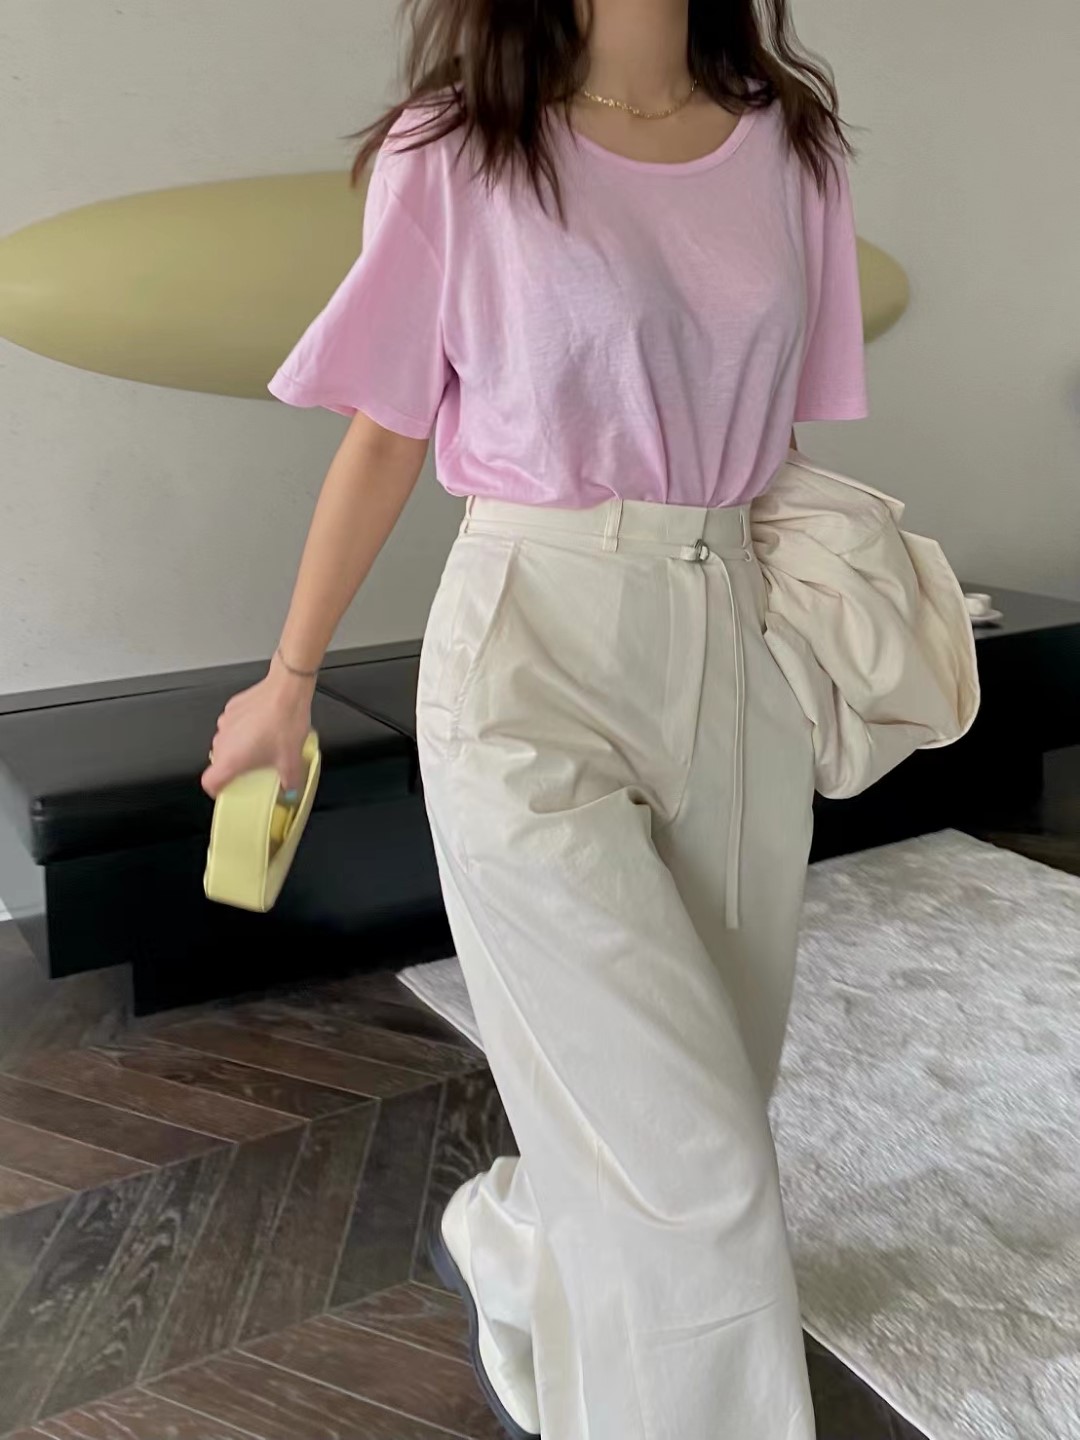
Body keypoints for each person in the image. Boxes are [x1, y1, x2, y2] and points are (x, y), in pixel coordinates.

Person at [203, 1, 869, 1434]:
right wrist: (288, 680)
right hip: (528, 649)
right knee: (693, 1167)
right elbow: (388, 430)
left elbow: (772, 431)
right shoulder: (459, 150)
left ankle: (514, 1236)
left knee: (707, 1098)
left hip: (730, 638)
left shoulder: (791, 146)